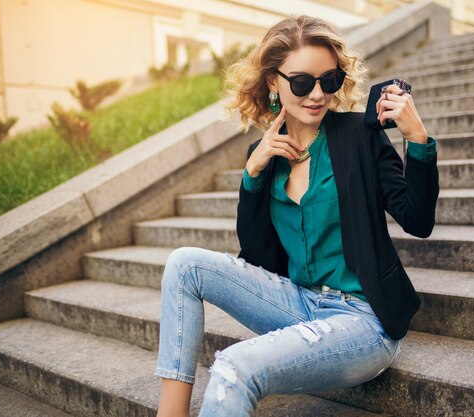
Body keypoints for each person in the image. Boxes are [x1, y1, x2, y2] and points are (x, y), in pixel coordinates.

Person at [155, 14, 439, 417]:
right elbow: (256, 258)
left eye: (329, 80)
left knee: (234, 367)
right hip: (298, 304)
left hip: (361, 321)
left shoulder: (359, 136)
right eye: (303, 82)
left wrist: (418, 140)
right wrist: (253, 174)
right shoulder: (265, 154)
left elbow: (418, 220)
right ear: (274, 81)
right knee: (184, 264)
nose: (318, 94)